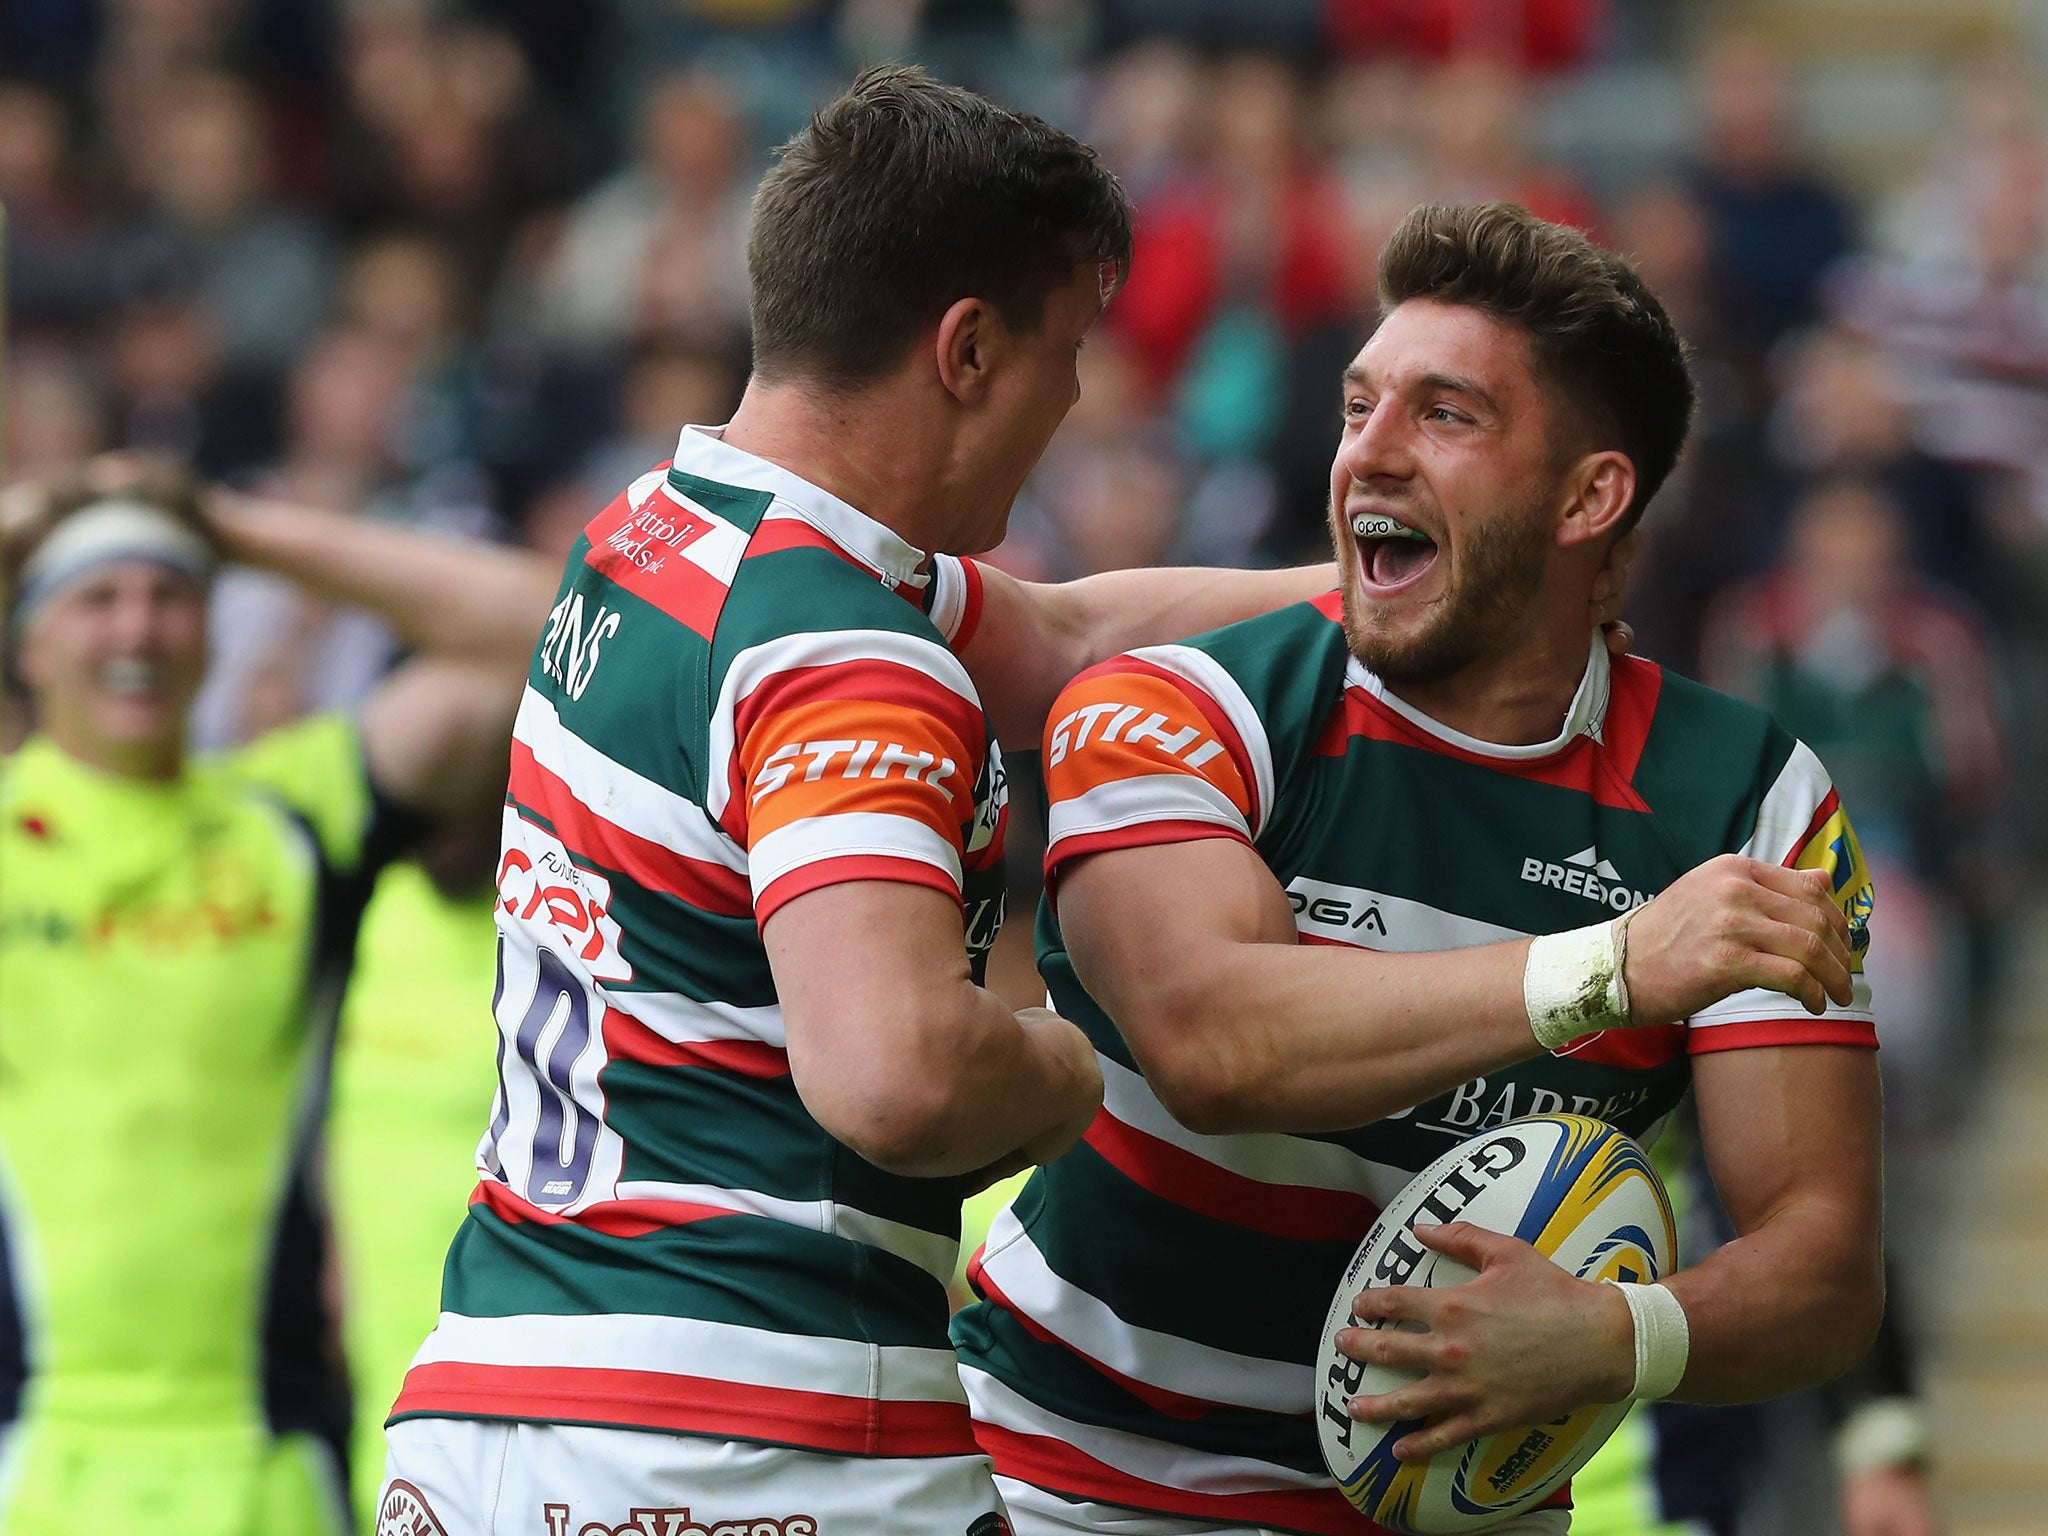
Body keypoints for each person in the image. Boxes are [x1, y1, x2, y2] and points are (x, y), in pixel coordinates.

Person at [951, 201, 1881, 1536]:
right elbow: (1210, 1044)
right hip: (1075, 1485)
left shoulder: (1749, 802)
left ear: (1589, 495)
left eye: (1443, 415)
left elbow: (1825, 1268)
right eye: (1356, 406)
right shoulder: (1190, 706)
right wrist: (1615, 966)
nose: (1367, 455)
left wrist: (1620, 1340)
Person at [0, 461, 557, 1536]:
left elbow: (553, 630)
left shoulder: (288, 821)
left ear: (214, 637)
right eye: (96, 598)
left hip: (268, 1473)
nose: (140, 628)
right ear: (28, 647)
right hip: (33, 1470)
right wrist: (29, 518)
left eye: (171, 594)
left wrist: (230, 526)